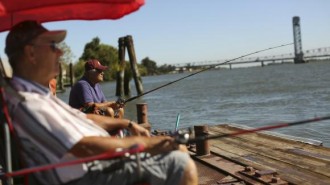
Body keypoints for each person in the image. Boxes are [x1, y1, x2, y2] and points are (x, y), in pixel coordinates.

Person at [4, 20, 198, 185]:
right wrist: (147, 143)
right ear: (31, 53)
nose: (60, 53)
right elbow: (85, 146)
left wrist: (127, 124)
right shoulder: (28, 102)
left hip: (91, 166)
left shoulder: (39, 96)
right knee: (181, 163)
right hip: (87, 175)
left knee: (176, 148)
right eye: (52, 46)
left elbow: (86, 117)